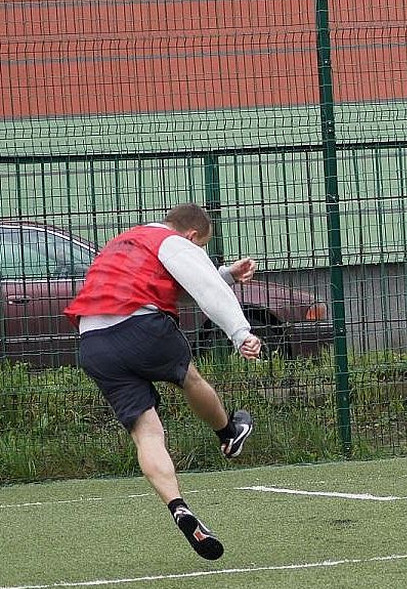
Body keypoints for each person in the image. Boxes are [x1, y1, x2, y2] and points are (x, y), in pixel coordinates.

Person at [64, 203, 263, 559]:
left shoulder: (125, 241)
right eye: (200, 246)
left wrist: (228, 274)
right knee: (190, 377)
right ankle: (228, 433)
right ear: (191, 236)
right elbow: (204, 288)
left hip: (93, 343)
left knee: (148, 433)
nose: (198, 253)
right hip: (140, 328)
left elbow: (172, 283)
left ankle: (178, 507)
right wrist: (240, 332)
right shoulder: (173, 242)